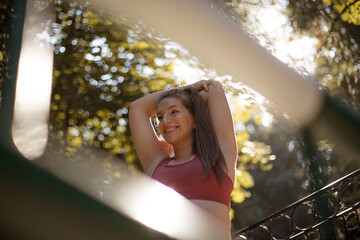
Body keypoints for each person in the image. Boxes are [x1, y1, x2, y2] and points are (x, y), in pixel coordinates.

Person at [129, 79, 237, 238]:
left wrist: (189, 94)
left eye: (174, 112)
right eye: (160, 117)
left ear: (195, 119)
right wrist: (190, 88)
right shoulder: (157, 163)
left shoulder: (220, 158)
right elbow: (137, 108)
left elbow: (214, 91)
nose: (165, 121)